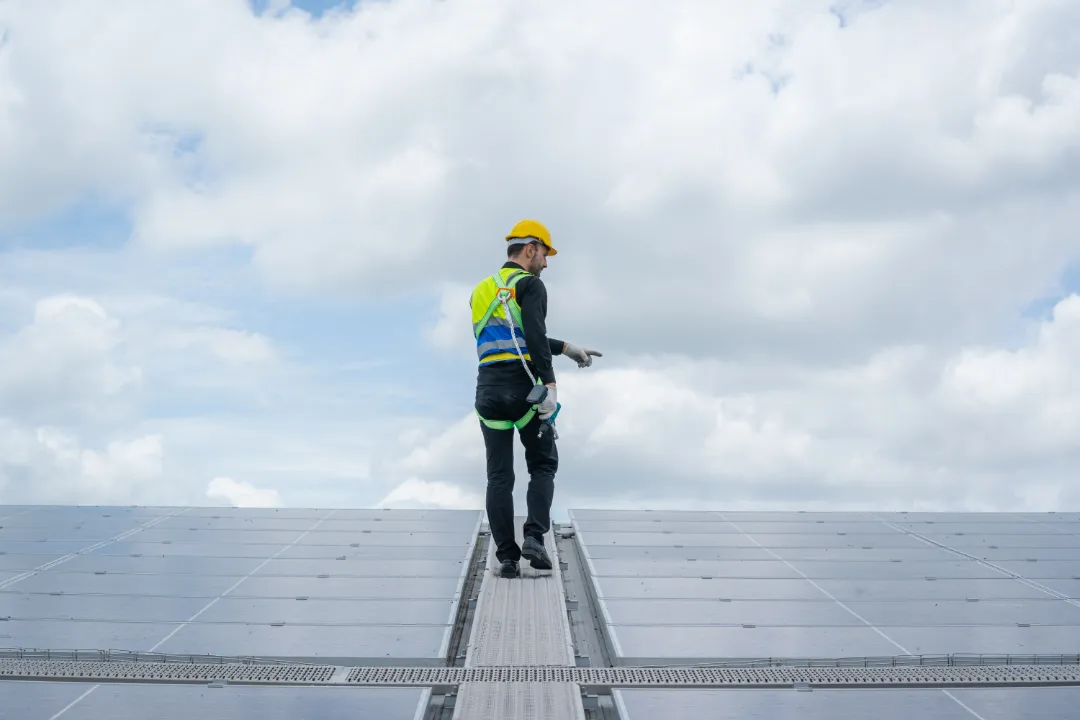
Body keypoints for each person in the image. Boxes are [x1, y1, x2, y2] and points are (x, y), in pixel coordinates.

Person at [470, 219, 601, 578]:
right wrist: (552, 385)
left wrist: (565, 347)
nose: (546, 262)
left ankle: (507, 557)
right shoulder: (530, 286)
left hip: (489, 390)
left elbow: (515, 332)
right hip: (525, 386)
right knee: (542, 466)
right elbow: (533, 333)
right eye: (545, 253)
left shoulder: (481, 290)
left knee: (499, 477)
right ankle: (534, 539)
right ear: (531, 249)